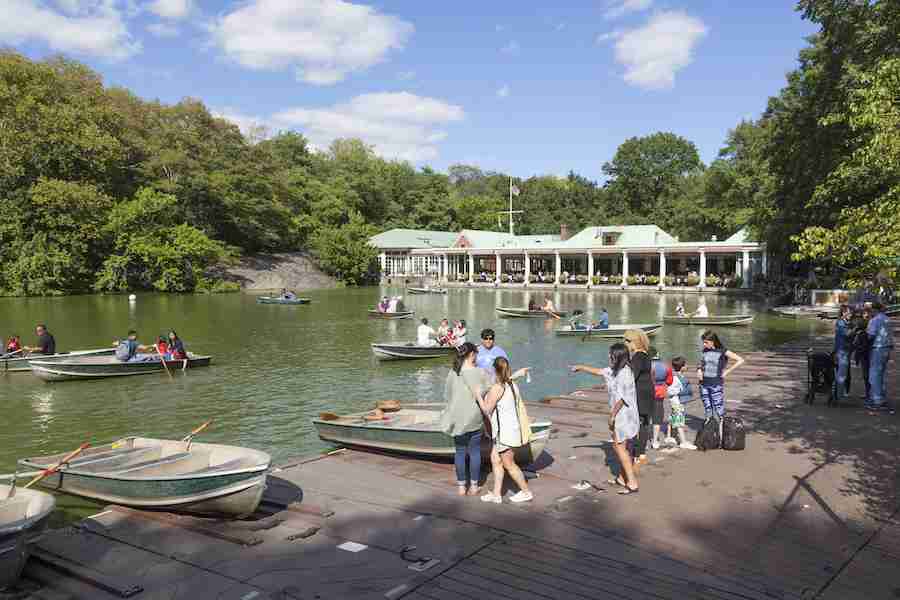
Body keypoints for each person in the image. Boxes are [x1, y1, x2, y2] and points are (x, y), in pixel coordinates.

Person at [571, 343, 640, 495]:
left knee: (620, 448)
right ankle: (623, 478)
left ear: (618, 357)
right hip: (620, 414)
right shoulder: (614, 370)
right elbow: (599, 371)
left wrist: (612, 415)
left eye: (611, 355)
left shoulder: (625, 373)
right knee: (619, 447)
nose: (609, 357)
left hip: (624, 415)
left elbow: (623, 399)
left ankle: (632, 482)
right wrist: (580, 367)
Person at [479, 357, 533, 503]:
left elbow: (486, 410)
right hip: (511, 431)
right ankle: (496, 494)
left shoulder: (497, 388)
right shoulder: (511, 384)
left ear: (494, 370)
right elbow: (506, 379)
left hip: (505, 434)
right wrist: (519, 373)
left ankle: (526, 492)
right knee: (495, 460)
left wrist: (478, 397)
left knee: (508, 463)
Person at [439, 343, 489, 496]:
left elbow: (447, 395)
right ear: (472, 355)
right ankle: (474, 487)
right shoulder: (480, 372)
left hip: (457, 417)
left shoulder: (453, 372)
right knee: (474, 452)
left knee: (460, 452)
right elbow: (488, 390)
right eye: (477, 354)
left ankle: (461, 487)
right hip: (474, 417)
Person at [697, 330, 745, 420]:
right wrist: (699, 369)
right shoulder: (705, 351)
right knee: (708, 409)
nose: (704, 344)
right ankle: (710, 429)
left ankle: (722, 430)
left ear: (713, 341)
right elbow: (701, 362)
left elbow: (740, 360)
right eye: (703, 342)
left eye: (706, 342)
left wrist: (727, 371)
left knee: (719, 409)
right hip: (703, 384)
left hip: (716, 384)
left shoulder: (722, 351)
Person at [623, 329, 653, 469]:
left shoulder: (638, 356)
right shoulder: (645, 354)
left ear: (634, 342)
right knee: (645, 422)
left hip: (640, 393)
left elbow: (631, 376)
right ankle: (641, 454)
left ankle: (638, 455)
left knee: (638, 423)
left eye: (627, 341)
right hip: (647, 391)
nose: (625, 343)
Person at [866, 302, 894, 412]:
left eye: (871, 310)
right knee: (881, 373)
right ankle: (881, 397)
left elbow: (871, 335)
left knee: (874, 375)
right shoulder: (887, 319)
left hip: (878, 348)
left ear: (874, 310)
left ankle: (877, 401)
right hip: (886, 348)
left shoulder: (874, 320)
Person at [666, 357, 697, 449]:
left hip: (675, 401)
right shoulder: (677, 378)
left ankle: (669, 436)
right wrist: (684, 391)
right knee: (679, 420)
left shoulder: (676, 376)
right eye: (685, 364)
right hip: (677, 401)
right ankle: (683, 442)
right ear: (682, 367)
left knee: (673, 416)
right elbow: (674, 390)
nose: (687, 366)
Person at [649, 347, 673, 449]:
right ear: (657, 354)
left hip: (646, 392)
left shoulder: (645, 365)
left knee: (644, 417)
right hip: (660, 392)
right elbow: (669, 381)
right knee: (657, 418)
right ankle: (655, 440)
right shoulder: (666, 366)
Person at [833, 305, 852, 405]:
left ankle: (839, 394)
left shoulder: (843, 322)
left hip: (844, 350)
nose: (851, 314)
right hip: (842, 351)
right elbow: (847, 334)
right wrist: (856, 328)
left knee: (843, 373)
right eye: (849, 312)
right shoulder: (841, 323)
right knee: (842, 375)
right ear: (844, 313)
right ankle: (837, 396)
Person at [851, 309, 871, 402]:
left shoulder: (863, 331)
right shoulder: (863, 330)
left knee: (867, 375)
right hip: (866, 354)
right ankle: (868, 393)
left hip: (866, 355)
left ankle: (869, 394)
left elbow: (858, 345)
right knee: (866, 375)